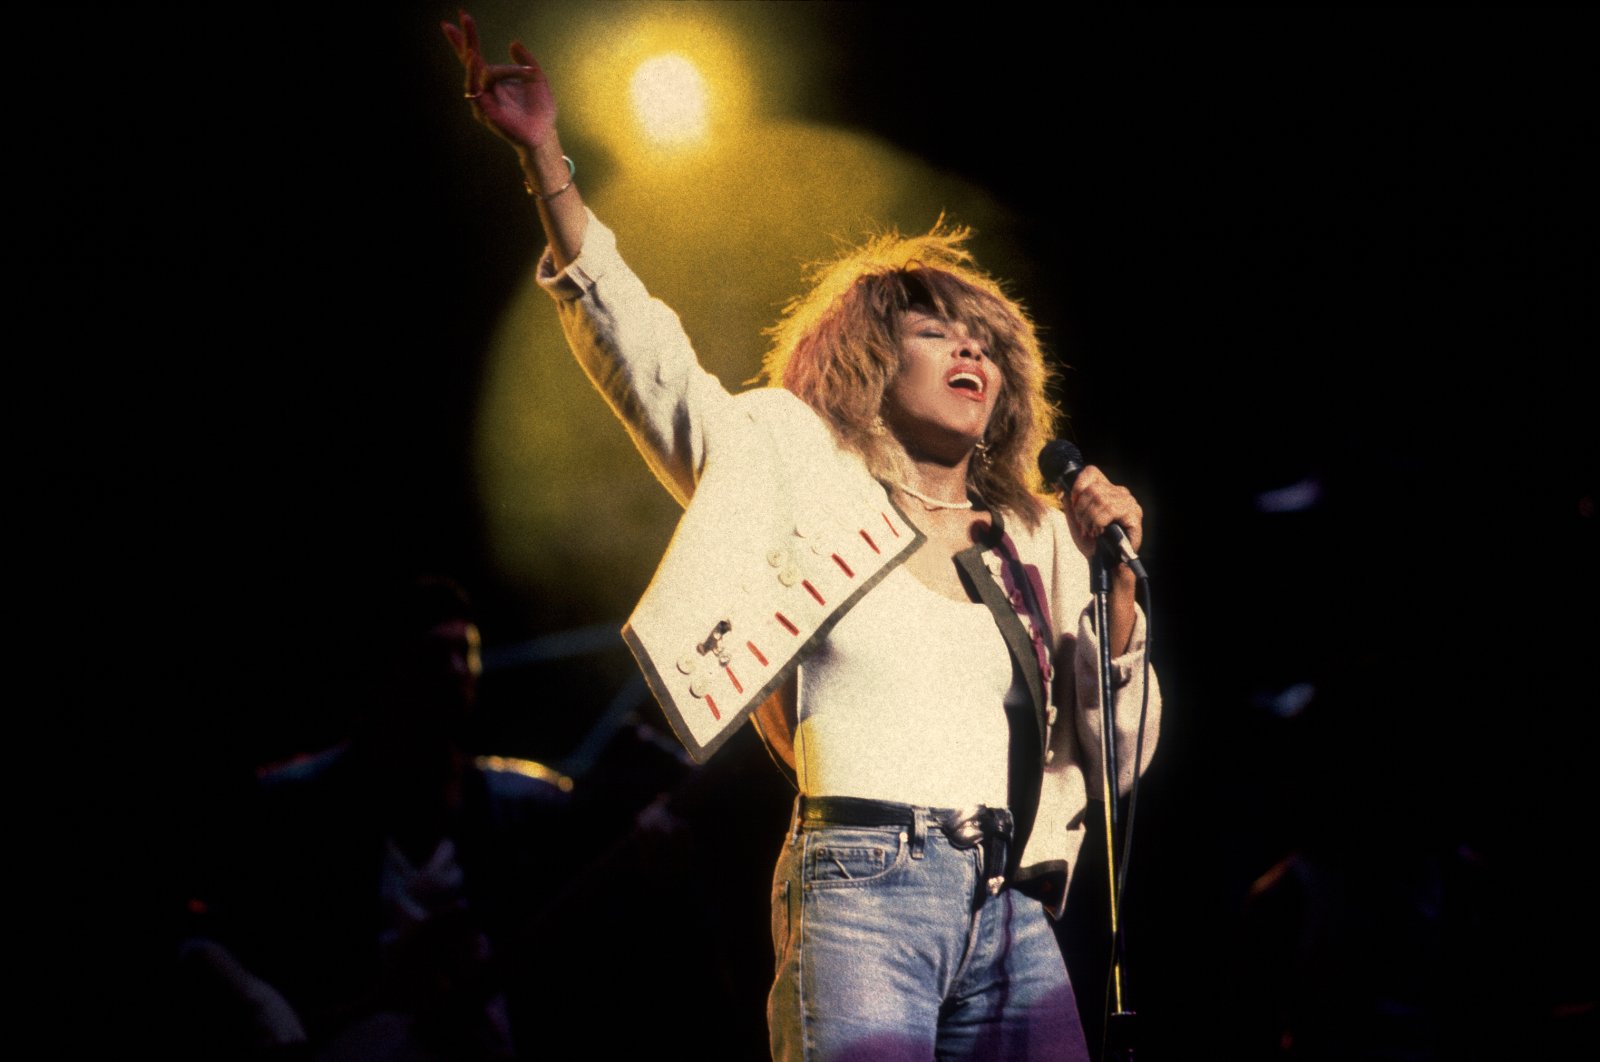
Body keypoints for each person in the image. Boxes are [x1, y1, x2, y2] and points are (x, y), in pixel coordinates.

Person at [443, 13, 1161, 1060]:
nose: (969, 346)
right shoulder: (797, 464)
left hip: (1012, 908)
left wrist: (1123, 607)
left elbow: (1115, 761)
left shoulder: (1038, 538)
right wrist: (548, 163)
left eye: (985, 342)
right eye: (932, 327)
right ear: (870, 356)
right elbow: (651, 368)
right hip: (864, 884)